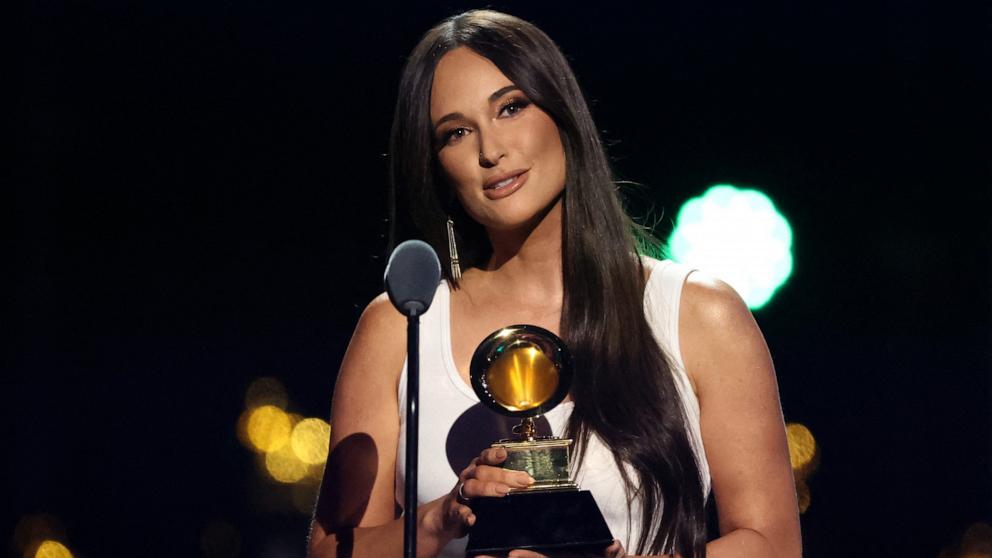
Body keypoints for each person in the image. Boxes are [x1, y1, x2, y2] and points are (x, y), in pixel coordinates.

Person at [308, 9, 801, 558]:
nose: (490, 151)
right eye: (457, 132)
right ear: (435, 164)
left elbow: (773, 543)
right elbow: (331, 548)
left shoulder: (696, 312)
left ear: (562, 112)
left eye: (511, 107)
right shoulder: (401, 324)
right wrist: (438, 520)